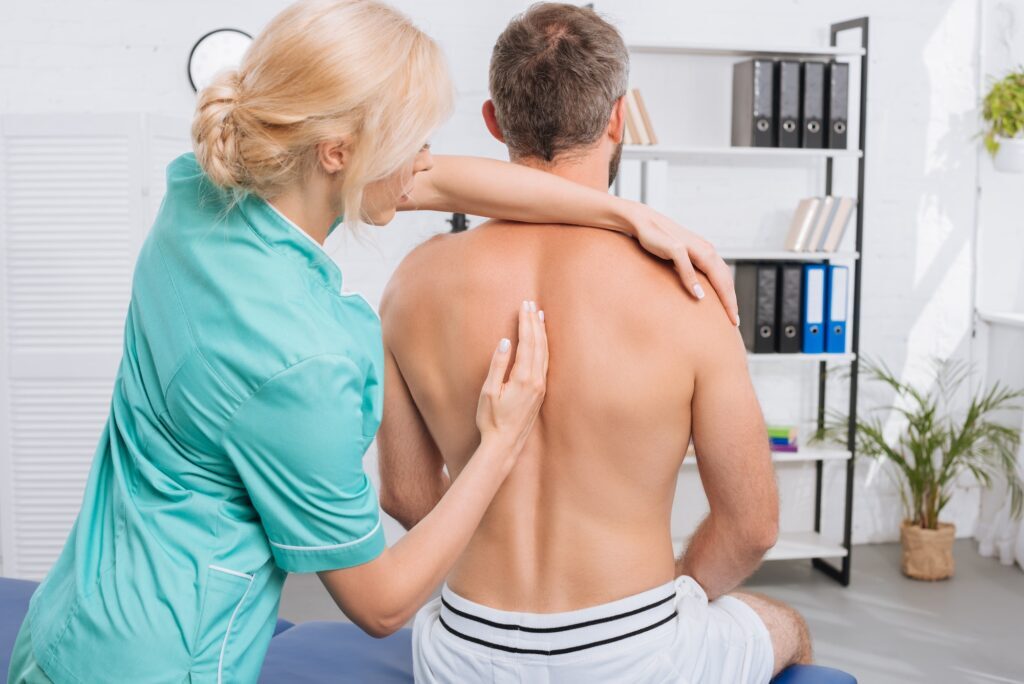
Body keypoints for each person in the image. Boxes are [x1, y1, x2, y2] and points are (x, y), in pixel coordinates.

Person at [7, 2, 739, 683]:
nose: (426, 161)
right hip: (168, 659)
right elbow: (381, 603)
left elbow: (440, 184)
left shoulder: (202, 190)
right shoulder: (304, 356)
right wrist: (500, 441)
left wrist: (630, 218)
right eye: (412, 141)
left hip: (70, 623)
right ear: (337, 154)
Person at [379, 4, 811, 683]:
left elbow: (404, 495)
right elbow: (752, 526)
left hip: (463, 650)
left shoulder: (412, 283)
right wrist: (680, 596)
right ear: (618, 118)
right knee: (788, 628)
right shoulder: (688, 292)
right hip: (636, 654)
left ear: (494, 120)